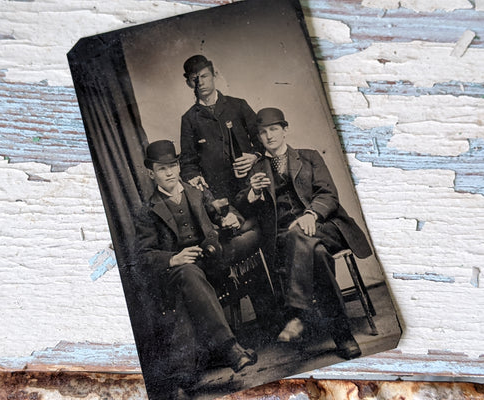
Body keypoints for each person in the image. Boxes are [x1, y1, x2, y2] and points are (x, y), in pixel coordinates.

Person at [236, 108, 372, 360]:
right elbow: (242, 208)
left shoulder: (309, 157)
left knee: (306, 237)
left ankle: (297, 313)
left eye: (274, 129)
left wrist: (310, 215)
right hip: (287, 239)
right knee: (316, 253)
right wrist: (252, 193)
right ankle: (343, 336)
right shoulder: (257, 169)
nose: (269, 136)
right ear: (259, 137)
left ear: (285, 130)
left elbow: (328, 193)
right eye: (263, 132)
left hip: (324, 226)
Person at [134, 140, 258, 386]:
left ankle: (184, 371)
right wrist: (173, 258)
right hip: (178, 272)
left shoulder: (197, 193)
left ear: (179, 167)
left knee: (189, 287)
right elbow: (142, 256)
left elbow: (222, 216)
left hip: (211, 264)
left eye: (173, 165)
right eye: (162, 169)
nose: (169, 172)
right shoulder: (147, 211)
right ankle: (230, 349)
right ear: (151, 173)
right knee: (188, 274)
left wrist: (230, 219)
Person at [180, 54, 263, 200]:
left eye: (204, 76)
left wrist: (254, 157)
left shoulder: (238, 106)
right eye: (195, 79)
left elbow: (262, 138)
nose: (201, 83)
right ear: (189, 83)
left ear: (214, 75)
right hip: (219, 191)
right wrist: (194, 177)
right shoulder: (189, 119)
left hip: (251, 182)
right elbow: (188, 163)